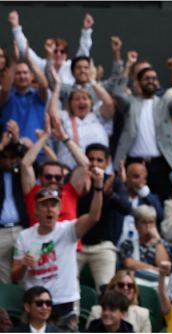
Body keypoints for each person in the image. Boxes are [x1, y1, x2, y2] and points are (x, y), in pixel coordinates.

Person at [12, 167, 104, 330]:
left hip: (65, 302)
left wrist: (98, 187)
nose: (49, 209)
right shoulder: (25, 236)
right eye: (44, 205)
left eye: (53, 205)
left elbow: (94, 217)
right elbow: (15, 275)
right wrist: (24, 264)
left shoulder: (68, 230)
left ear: (59, 210)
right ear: (35, 210)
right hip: (35, 303)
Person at [114, 58, 172, 201]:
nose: (151, 81)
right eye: (146, 78)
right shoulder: (130, 104)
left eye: (154, 78)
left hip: (160, 165)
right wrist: (128, 65)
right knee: (133, 204)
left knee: (160, 204)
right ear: (138, 82)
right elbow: (118, 93)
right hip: (134, 163)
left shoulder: (165, 104)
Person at [77, 143, 131, 291]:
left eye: (99, 160)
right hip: (76, 245)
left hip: (103, 246)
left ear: (107, 162)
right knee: (67, 290)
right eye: (91, 159)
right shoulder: (77, 180)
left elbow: (127, 208)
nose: (94, 163)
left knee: (107, 293)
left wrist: (108, 194)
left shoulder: (114, 182)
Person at [47, 67, 114, 170]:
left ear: (91, 102)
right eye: (77, 99)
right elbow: (51, 114)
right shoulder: (65, 117)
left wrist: (92, 81)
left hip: (100, 170)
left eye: (85, 98)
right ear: (70, 103)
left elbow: (109, 104)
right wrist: (57, 86)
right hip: (71, 170)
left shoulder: (97, 115)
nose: (81, 102)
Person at [9, 10, 93, 86]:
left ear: (66, 55)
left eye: (62, 51)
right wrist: (15, 26)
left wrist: (86, 30)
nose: (58, 54)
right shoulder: (42, 64)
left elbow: (83, 53)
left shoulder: (71, 66)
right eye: (55, 51)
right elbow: (24, 49)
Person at [0, 46, 48, 145]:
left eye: (25, 73)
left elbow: (44, 85)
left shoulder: (38, 96)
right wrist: (14, 61)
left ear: (31, 76)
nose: (22, 76)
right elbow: (5, 89)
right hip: (10, 153)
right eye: (18, 73)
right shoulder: (7, 96)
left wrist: (29, 60)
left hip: (36, 150)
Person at [86, 270, 151, 333]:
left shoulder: (143, 314)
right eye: (121, 285)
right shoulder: (96, 311)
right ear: (112, 287)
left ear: (134, 290)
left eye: (130, 285)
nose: (125, 288)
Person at [118, 205, 171, 282]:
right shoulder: (127, 244)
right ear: (136, 225)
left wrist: (158, 241)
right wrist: (153, 269)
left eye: (151, 222)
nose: (148, 226)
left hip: (157, 284)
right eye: (144, 223)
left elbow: (163, 265)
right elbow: (129, 263)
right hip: (135, 283)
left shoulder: (164, 245)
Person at [0, 138, 28, 283]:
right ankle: (5, 306)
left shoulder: (20, 174)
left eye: (12, 157)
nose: (8, 161)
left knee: (25, 270)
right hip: (1, 232)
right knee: (3, 278)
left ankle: (27, 303)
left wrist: (18, 143)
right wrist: (2, 144)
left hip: (20, 229)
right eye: (4, 157)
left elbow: (32, 165)